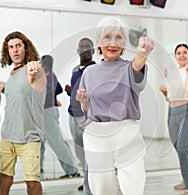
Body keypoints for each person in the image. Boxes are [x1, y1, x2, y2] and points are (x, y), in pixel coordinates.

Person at [76, 17, 154, 195]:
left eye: (119, 37)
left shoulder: (129, 68)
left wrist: (143, 54)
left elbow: (138, 65)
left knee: (133, 186)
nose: (113, 43)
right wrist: (85, 101)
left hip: (127, 133)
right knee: (101, 188)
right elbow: (88, 111)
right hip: (96, 134)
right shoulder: (89, 72)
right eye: (107, 37)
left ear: (124, 42)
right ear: (98, 41)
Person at [0, 31, 46, 195]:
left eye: (18, 45)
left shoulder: (34, 70)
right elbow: (22, 95)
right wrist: (5, 89)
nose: (15, 50)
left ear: (26, 48)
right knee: (5, 175)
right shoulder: (13, 73)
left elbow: (33, 77)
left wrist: (34, 69)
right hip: (8, 135)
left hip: (29, 137)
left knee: (32, 182)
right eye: (11, 47)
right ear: (7, 52)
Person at [159, 43, 188, 195]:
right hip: (172, 112)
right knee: (179, 149)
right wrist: (164, 92)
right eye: (178, 53)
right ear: (175, 56)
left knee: (183, 149)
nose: (182, 55)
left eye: (185, 52)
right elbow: (171, 96)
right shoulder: (173, 73)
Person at [40, 54, 80, 178]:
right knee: (40, 142)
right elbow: (58, 89)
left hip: (48, 111)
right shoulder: (51, 76)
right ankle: (37, 168)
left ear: (44, 64)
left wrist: (49, 97)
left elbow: (46, 92)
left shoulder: (48, 76)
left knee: (56, 142)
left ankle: (72, 170)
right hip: (47, 110)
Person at [65, 37, 95, 194]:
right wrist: (71, 91)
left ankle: (89, 188)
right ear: (78, 51)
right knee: (80, 153)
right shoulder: (75, 70)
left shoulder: (96, 69)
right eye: (82, 47)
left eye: (88, 47)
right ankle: (87, 180)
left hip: (87, 116)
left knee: (90, 152)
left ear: (93, 51)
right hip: (72, 116)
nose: (85, 50)